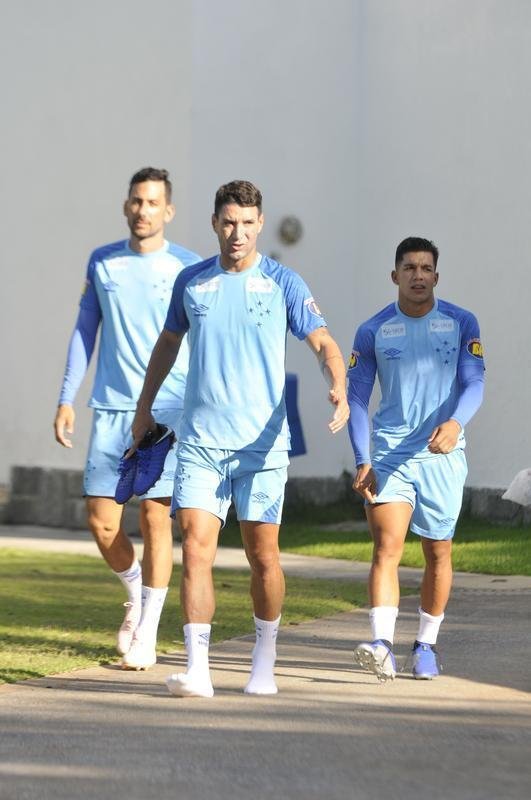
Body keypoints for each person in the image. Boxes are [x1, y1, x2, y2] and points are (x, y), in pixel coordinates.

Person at [131, 179, 349, 697]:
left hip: (262, 448)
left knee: (263, 556)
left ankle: (265, 659)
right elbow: (166, 343)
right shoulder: (193, 282)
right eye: (229, 222)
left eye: (248, 224)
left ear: (260, 224)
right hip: (203, 442)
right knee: (197, 549)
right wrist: (144, 408)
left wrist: (337, 382)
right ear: (214, 223)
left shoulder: (284, 282)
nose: (238, 233)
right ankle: (198, 671)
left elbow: (322, 342)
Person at [54, 167, 201, 670]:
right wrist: (66, 396)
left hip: (167, 411)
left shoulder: (188, 267)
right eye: (136, 201)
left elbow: (202, 340)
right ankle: (135, 596)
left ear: (169, 211)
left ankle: (148, 634)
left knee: (157, 519)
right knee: (101, 522)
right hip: (113, 410)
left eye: (153, 202)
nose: (143, 210)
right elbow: (84, 332)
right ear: (127, 206)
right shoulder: (103, 262)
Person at [347, 237, 485, 681]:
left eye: (426, 269)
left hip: (442, 453)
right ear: (395, 276)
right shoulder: (372, 330)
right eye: (410, 268)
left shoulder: (462, 322)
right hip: (389, 455)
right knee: (386, 547)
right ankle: (381, 644)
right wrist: (362, 457)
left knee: (438, 551)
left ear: (436, 277)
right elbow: (355, 397)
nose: (418, 276)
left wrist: (456, 424)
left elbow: (474, 383)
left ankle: (426, 645)